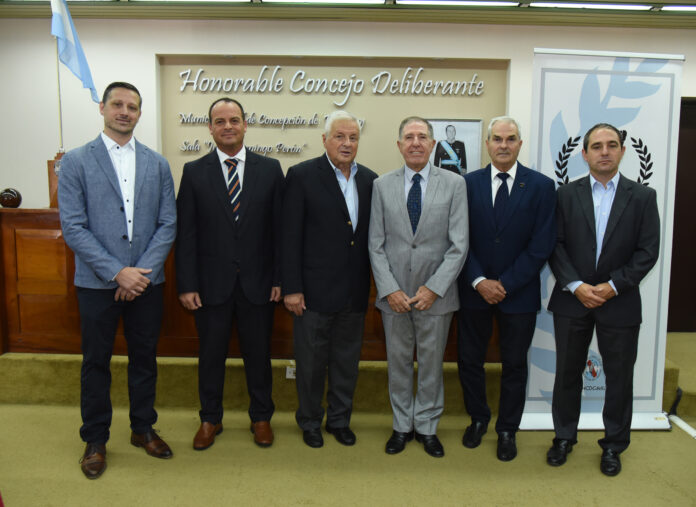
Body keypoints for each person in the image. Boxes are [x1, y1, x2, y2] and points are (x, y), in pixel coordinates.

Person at [58, 81, 177, 479]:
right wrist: (116, 272)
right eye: (118, 104)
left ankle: (143, 428)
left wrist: (139, 274)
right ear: (103, 108)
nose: (125, 112)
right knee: (96, 362)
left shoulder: (158, 164)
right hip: (97, 284)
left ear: (140, 113)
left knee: (145, 358)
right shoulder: (76, 161)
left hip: (146, 283)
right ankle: (95, 439)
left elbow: (167, 223)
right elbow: (73, 227)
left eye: (133, 106)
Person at [546, 123, 660, 476]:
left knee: (619, 378)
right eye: (597, 146)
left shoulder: (643, 196)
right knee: (567, 373)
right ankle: (564, 437)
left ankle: (613, 445)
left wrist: (612, 286)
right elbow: (554, 244)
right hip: (572, 300)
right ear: (585, 154)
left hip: (620, 302)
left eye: (612, 145)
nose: (605, 152)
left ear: (622, 151)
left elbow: (647, 251)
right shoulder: (565, 195)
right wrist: (576, 285)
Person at [176, 98, 284, 450]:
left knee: (259, 356)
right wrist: (187, 284)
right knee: (210, 356)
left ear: (245, 125)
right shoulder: (194, 172)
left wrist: (279, 279)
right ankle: (210, 418)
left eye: (234, 120)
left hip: (259, 284)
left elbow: (280, 231)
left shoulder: (271, 169)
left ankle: (261, 417)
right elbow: (186, 234)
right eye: (220, 121)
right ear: (210, 127)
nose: (227, 126)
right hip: (210, 286)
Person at [457, 116, 556, 461]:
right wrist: (479, 280)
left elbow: (542, 245)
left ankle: (507, 429)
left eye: (510, 139)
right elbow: (457, 239)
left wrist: (506, 284)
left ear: (519, 144)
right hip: (473, 291)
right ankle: (478, 419)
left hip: (520, 293)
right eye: (497, 139)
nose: (503, 145)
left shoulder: (542, 186)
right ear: (487, 144)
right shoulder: (465, 184)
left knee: (514, 364)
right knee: (470, 360)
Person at [369, 117, 468, 458]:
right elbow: (375, 245)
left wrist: (433, 288)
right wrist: (390, 289)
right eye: (409, 137)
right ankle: (401, 426)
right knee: (398, 364)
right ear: (399, 145)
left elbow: (459, 245)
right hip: (394, 297)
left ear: (432, 144)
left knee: (431, 365)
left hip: (436, 297)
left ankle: (426, 426)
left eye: (422, 137)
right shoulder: (381, 185)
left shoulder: (455, 184)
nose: (415, 143)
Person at [282, 111, 377, 448]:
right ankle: (309, 421)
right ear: (325, 140)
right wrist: (292, 288)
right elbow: (289, 236)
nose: (347, 143)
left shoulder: (370, 180)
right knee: (310, 363)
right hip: (312, 293)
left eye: (353, 137)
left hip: (354, 292)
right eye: (339, 136)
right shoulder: (302, 175)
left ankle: (339, 420)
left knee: (346, 362)